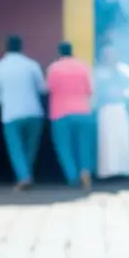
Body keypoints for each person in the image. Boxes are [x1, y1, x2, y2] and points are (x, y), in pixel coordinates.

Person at [0, 35, 46, 191]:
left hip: (11, 114)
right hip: (34, 112)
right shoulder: (32, 65)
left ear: (5, 47)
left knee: (16, 148)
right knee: (30, 148)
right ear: (22, 47)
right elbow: (42, 88)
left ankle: (24, 177)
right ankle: (26, 175)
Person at [47, 42, 95, 189]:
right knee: (84, 145)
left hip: (61, 113)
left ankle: (72, 176)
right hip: (83, 111)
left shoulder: (54, 68)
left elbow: (48, 88)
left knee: (64, 147)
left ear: (59, 52)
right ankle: (85, 171)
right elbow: (90, 90)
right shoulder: (83, 67)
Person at [94, 45, 129, 179]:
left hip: (120, 108)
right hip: (106, 109)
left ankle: (123, 170)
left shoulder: (123, 70)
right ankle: (108, 172)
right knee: (107, 141)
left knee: (122, 140)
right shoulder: (99, 72)